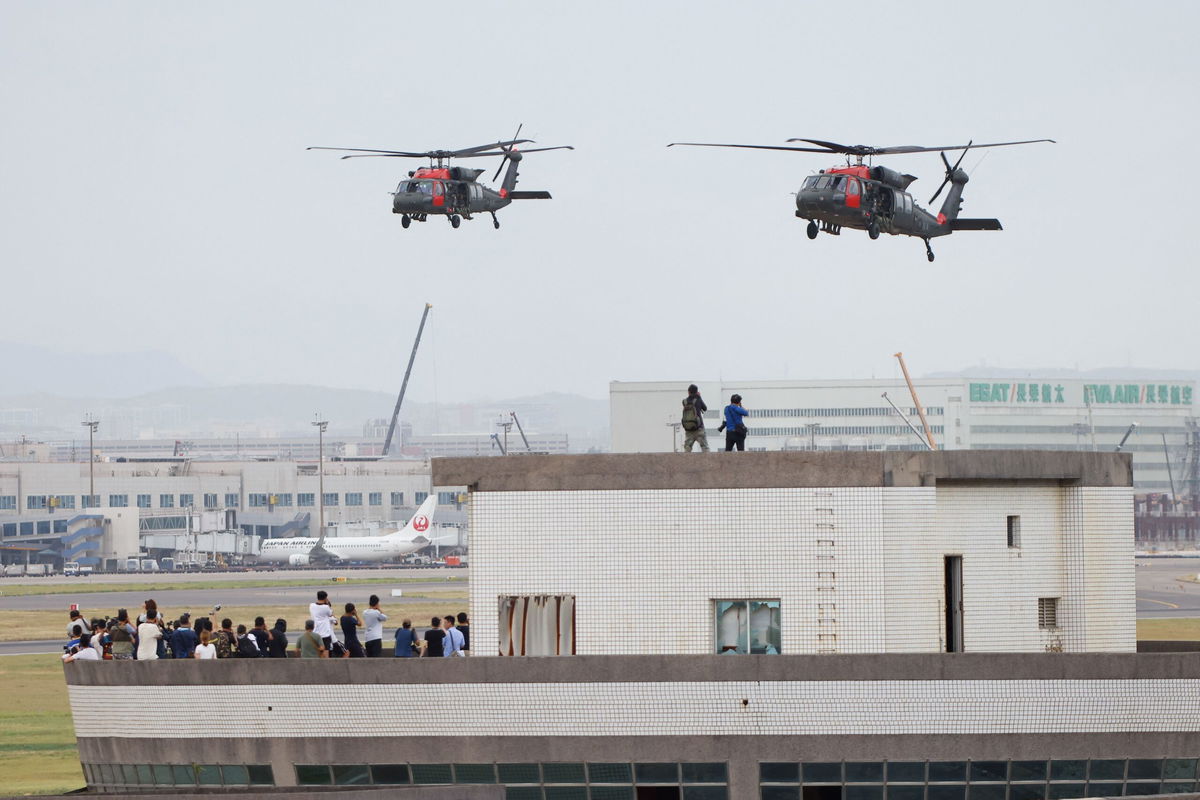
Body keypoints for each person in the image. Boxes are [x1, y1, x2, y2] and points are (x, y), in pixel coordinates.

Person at [681, 384, 709, 452]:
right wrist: (699, 397)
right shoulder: (698, 399)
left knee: (687, 448)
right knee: (705, 447)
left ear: (688, 392)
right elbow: (705, 408)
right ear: (696, 392)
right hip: (699, 428)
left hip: (688, 429)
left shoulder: (684, 401)